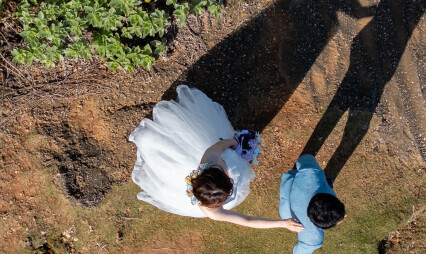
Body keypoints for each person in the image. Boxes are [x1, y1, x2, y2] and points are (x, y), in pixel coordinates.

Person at [129, 85, 303, 232]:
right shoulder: (214, 212)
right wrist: (282, 224)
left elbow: (220, 146)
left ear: (212, 170)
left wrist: (234, 142)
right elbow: (247, 221)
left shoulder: (210, 157)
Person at [279, 155, 346, 254]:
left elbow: (304, 159)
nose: (345, 215)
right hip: (289, 214)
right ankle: (328, 183)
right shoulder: (312, 238)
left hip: (289, 192)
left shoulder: (312, 172)